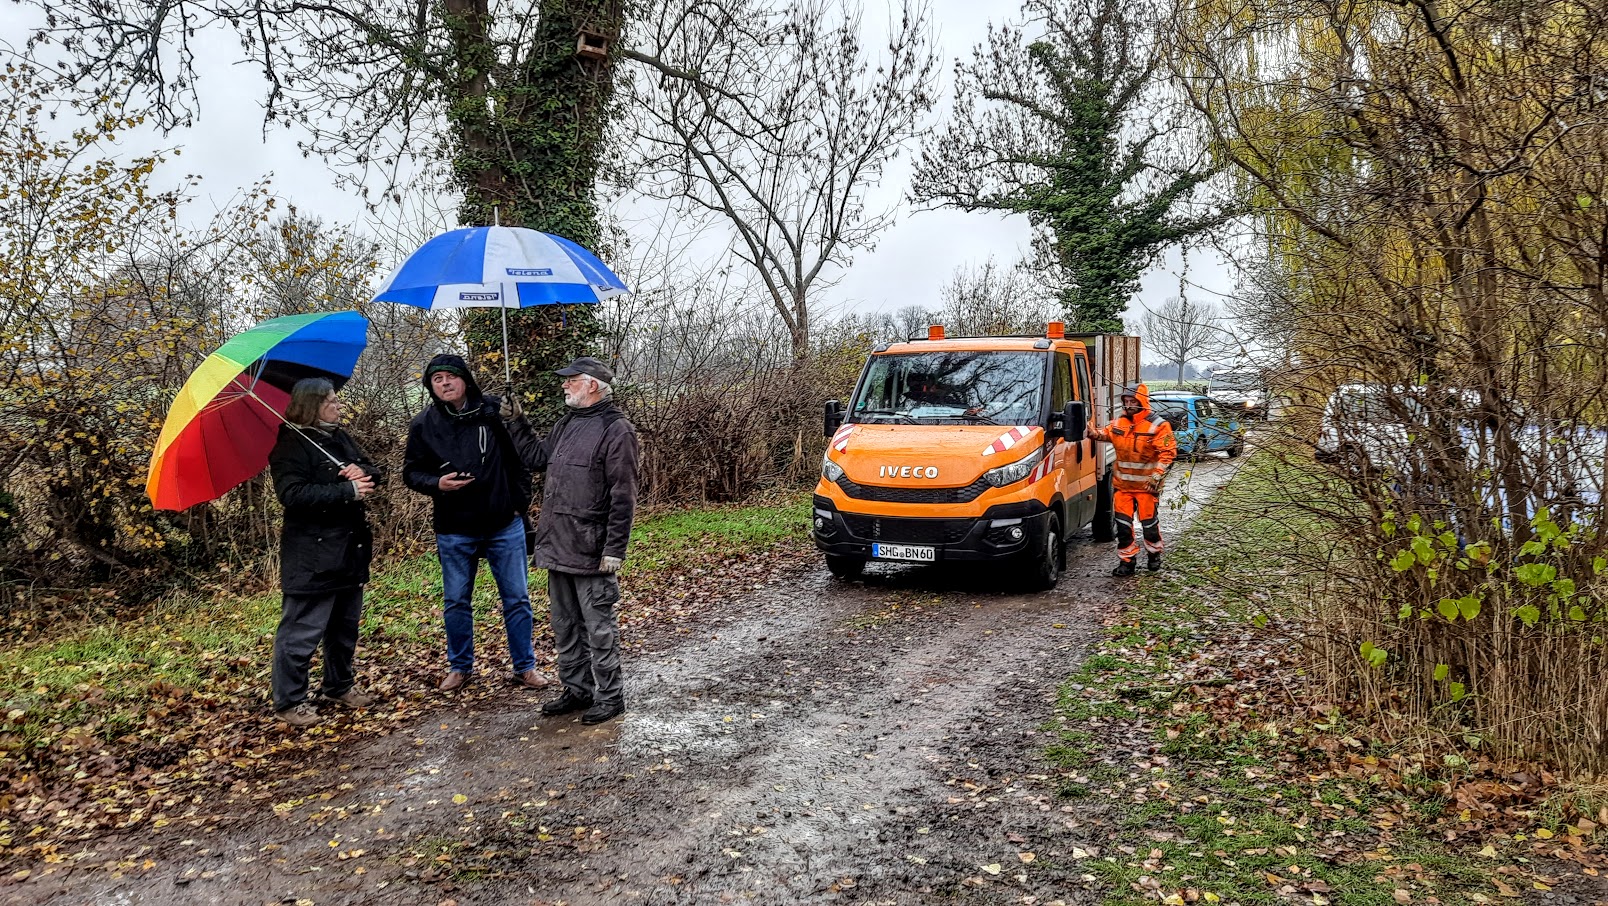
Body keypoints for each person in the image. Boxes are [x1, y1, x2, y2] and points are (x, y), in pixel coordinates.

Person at [403, 354, 552, 692]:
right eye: (437, 379)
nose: (444, 383)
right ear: (430, 386)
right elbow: (411, 472)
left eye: (450, 377)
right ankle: (460, 667)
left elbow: (522, 461)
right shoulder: (423, 424)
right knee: (456, 601)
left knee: (517, 598)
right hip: (454, 528)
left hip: (504, 524)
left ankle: (525, 667)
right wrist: (436, 484)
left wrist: (518, 505)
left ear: (465, 380)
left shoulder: (494, 411)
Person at [528, 356, 640, 726]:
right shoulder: (566, 423)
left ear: (592, 385)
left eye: (571, 379)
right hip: (557, 543)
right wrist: (515, 422)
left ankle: (609, 696)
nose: (564, 385)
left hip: (592, 548)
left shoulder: (617, 429)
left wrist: (614, 548)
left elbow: (623, 494)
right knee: (564, 625)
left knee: (599, 630)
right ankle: (577, 690)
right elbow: (537, 458)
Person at [268, 378, 382, 729]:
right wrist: (345, 490)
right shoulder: (289, 445)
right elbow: (293, 494)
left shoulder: (339, 438)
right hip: (313, 556)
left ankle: (339, 686)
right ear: (312, 405)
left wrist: (363, 473)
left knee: (344, 628)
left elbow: (376, 471)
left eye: (336, 399)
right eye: (331, 400)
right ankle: (290, 700)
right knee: (302, 631)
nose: (337, 405)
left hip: (349, 549)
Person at [1088, 383, 1178, 576]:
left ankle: (1154, 554)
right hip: (1123, 487)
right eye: (1126, 401)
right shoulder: (1119, 423)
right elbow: (1106, 434)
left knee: (1149, 526)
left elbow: (1168, 453)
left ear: (1142, 402)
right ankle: (1127, 561)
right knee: (1123, 527)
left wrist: (1157, 475)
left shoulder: (1159, 425)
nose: (1128, 405)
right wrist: (1092, 433)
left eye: (1132, 402)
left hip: (1146, 487)